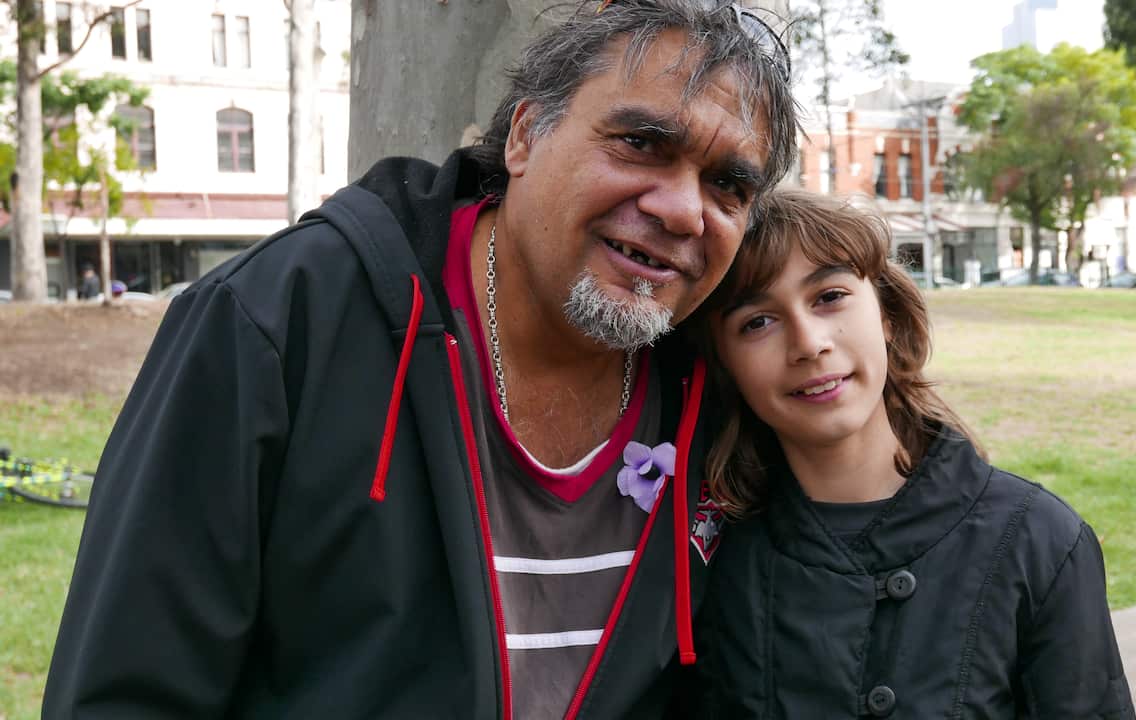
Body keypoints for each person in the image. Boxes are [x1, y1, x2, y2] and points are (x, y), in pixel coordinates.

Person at [43, 2, 798, 718]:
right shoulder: (278, 321)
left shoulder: (721, 380)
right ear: (526, 136)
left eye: (728, 185)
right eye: (641, 143)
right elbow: (123, 691)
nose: (682, 210)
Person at [687, 189, 1135, 718]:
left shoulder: (1041, 542)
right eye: (756, 322)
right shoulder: (708, 555)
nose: (808, 343)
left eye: (829, 296)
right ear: (724, 366)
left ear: (887, 316)